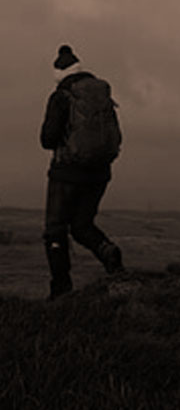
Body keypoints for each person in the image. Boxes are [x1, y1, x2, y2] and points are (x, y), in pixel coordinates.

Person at [39, 45, 124, 300]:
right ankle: (108, 251)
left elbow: (48, 139)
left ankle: (61, 289)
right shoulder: (100, 94)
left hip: (66, 173)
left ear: (58, 73)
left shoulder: (62, 96)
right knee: (82, 225)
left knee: (55, 230)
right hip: (100, 173)